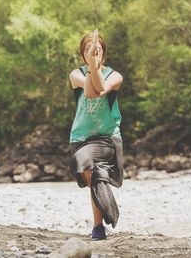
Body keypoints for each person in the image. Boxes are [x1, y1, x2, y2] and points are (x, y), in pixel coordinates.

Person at [69, 29, 123, 240]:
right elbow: (89, 91)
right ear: (82, 53)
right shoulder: (76, 74)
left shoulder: (115, 76)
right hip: (79, 137)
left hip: (107, 138)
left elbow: (98, 91)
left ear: (104, 53)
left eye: (97, 50)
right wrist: (92, 65)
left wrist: (94, 64)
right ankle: (99, 227)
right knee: (94, 175)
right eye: (88, 51)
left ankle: (98, 225)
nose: (92, 54)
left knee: (82, 161)